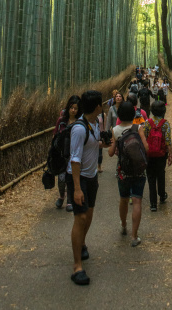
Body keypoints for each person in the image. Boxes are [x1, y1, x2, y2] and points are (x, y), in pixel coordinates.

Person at [66, 90, 109, 286]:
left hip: (91, 177)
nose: (103, 106)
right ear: (97, 107)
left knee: (89, 215)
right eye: (101, 104)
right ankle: (77, 267)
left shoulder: (93, 123)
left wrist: (103, 144)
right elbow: (75, 159)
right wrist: (76, 189)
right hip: (78, 177)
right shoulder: (79, 129)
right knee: (80, 217)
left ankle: (82, 243)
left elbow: (92, 146)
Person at [108, 100, 149, 247]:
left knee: (124, 199)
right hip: (138, 171)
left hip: (123, 171)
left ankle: (124, 225)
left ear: (119, 114)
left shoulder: (115, 130)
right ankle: (134, 236)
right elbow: (146, 147)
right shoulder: (138, 128)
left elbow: (111, 153)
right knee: (137, 200)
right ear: (133, 114)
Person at [143, 100, 172, 211]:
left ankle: (153, 204)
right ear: (163, 111)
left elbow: (144, 138)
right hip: (161, 154)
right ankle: (162, 195)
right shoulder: (165, 123)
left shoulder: (147, 123)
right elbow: (168, 140)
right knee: (161, 174)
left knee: (150, 177)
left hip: (149, 154)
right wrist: (170, 154)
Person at [54, 95, 80, 211]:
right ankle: (61, 195)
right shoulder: (61, 121)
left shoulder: (80, 122)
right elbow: (54, 135)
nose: (73, 110)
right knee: (61, 178)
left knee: (71, 178)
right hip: (61, 153)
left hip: (74, 153)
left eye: (76, 108)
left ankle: (70, 200)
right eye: (71, 108)